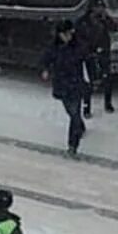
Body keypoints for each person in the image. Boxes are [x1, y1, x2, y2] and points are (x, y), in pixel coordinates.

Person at [40, 19, 90, 155]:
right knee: (71, 111)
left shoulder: (78, 46)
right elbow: (45, 59)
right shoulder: (54, 47)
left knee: (74, 113)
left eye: (69, 34)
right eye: (65, 34)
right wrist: (45, 69)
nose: (68, 37)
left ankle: (73, 145)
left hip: (75, 84)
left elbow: (88, 60)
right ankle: (79, 125)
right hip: (62, 84)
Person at [78, 0, 118, 119]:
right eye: (97, 7)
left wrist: (106, 19)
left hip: (103, 52)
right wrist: (88, 50)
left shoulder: (104, 19)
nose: (99, 9)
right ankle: (86, 107)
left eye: (101, 7)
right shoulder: (83, 21)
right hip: (89, 54)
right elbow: (80, 38)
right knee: (88, 82)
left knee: (107, 78)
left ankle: (108, 103)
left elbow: (114, 28)